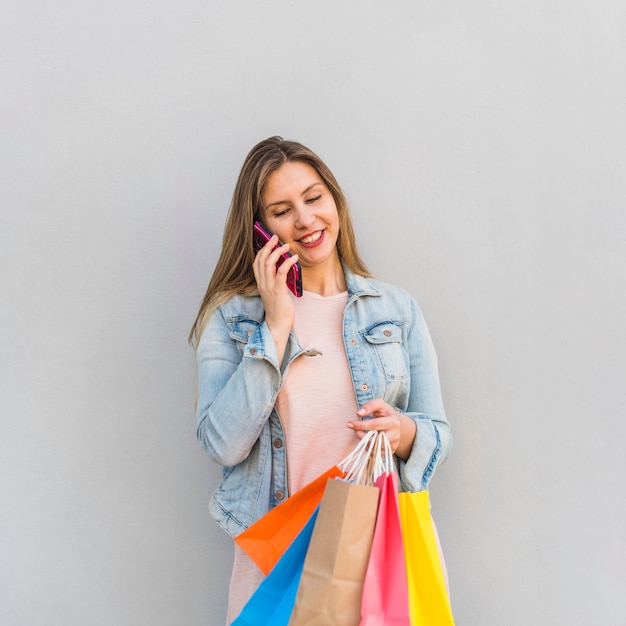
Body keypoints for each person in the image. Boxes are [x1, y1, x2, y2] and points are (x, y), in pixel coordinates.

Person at [189, 136, 452, 624]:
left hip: (376, 553)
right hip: (278, 559)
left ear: (334, 200)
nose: (306, 220)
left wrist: (403, 431)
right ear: (260, 229)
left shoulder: (396, 309)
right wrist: (275, 325)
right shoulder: (232, 319)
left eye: (314, 198)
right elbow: (223, 444)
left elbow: (436, 430)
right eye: (282, 210)